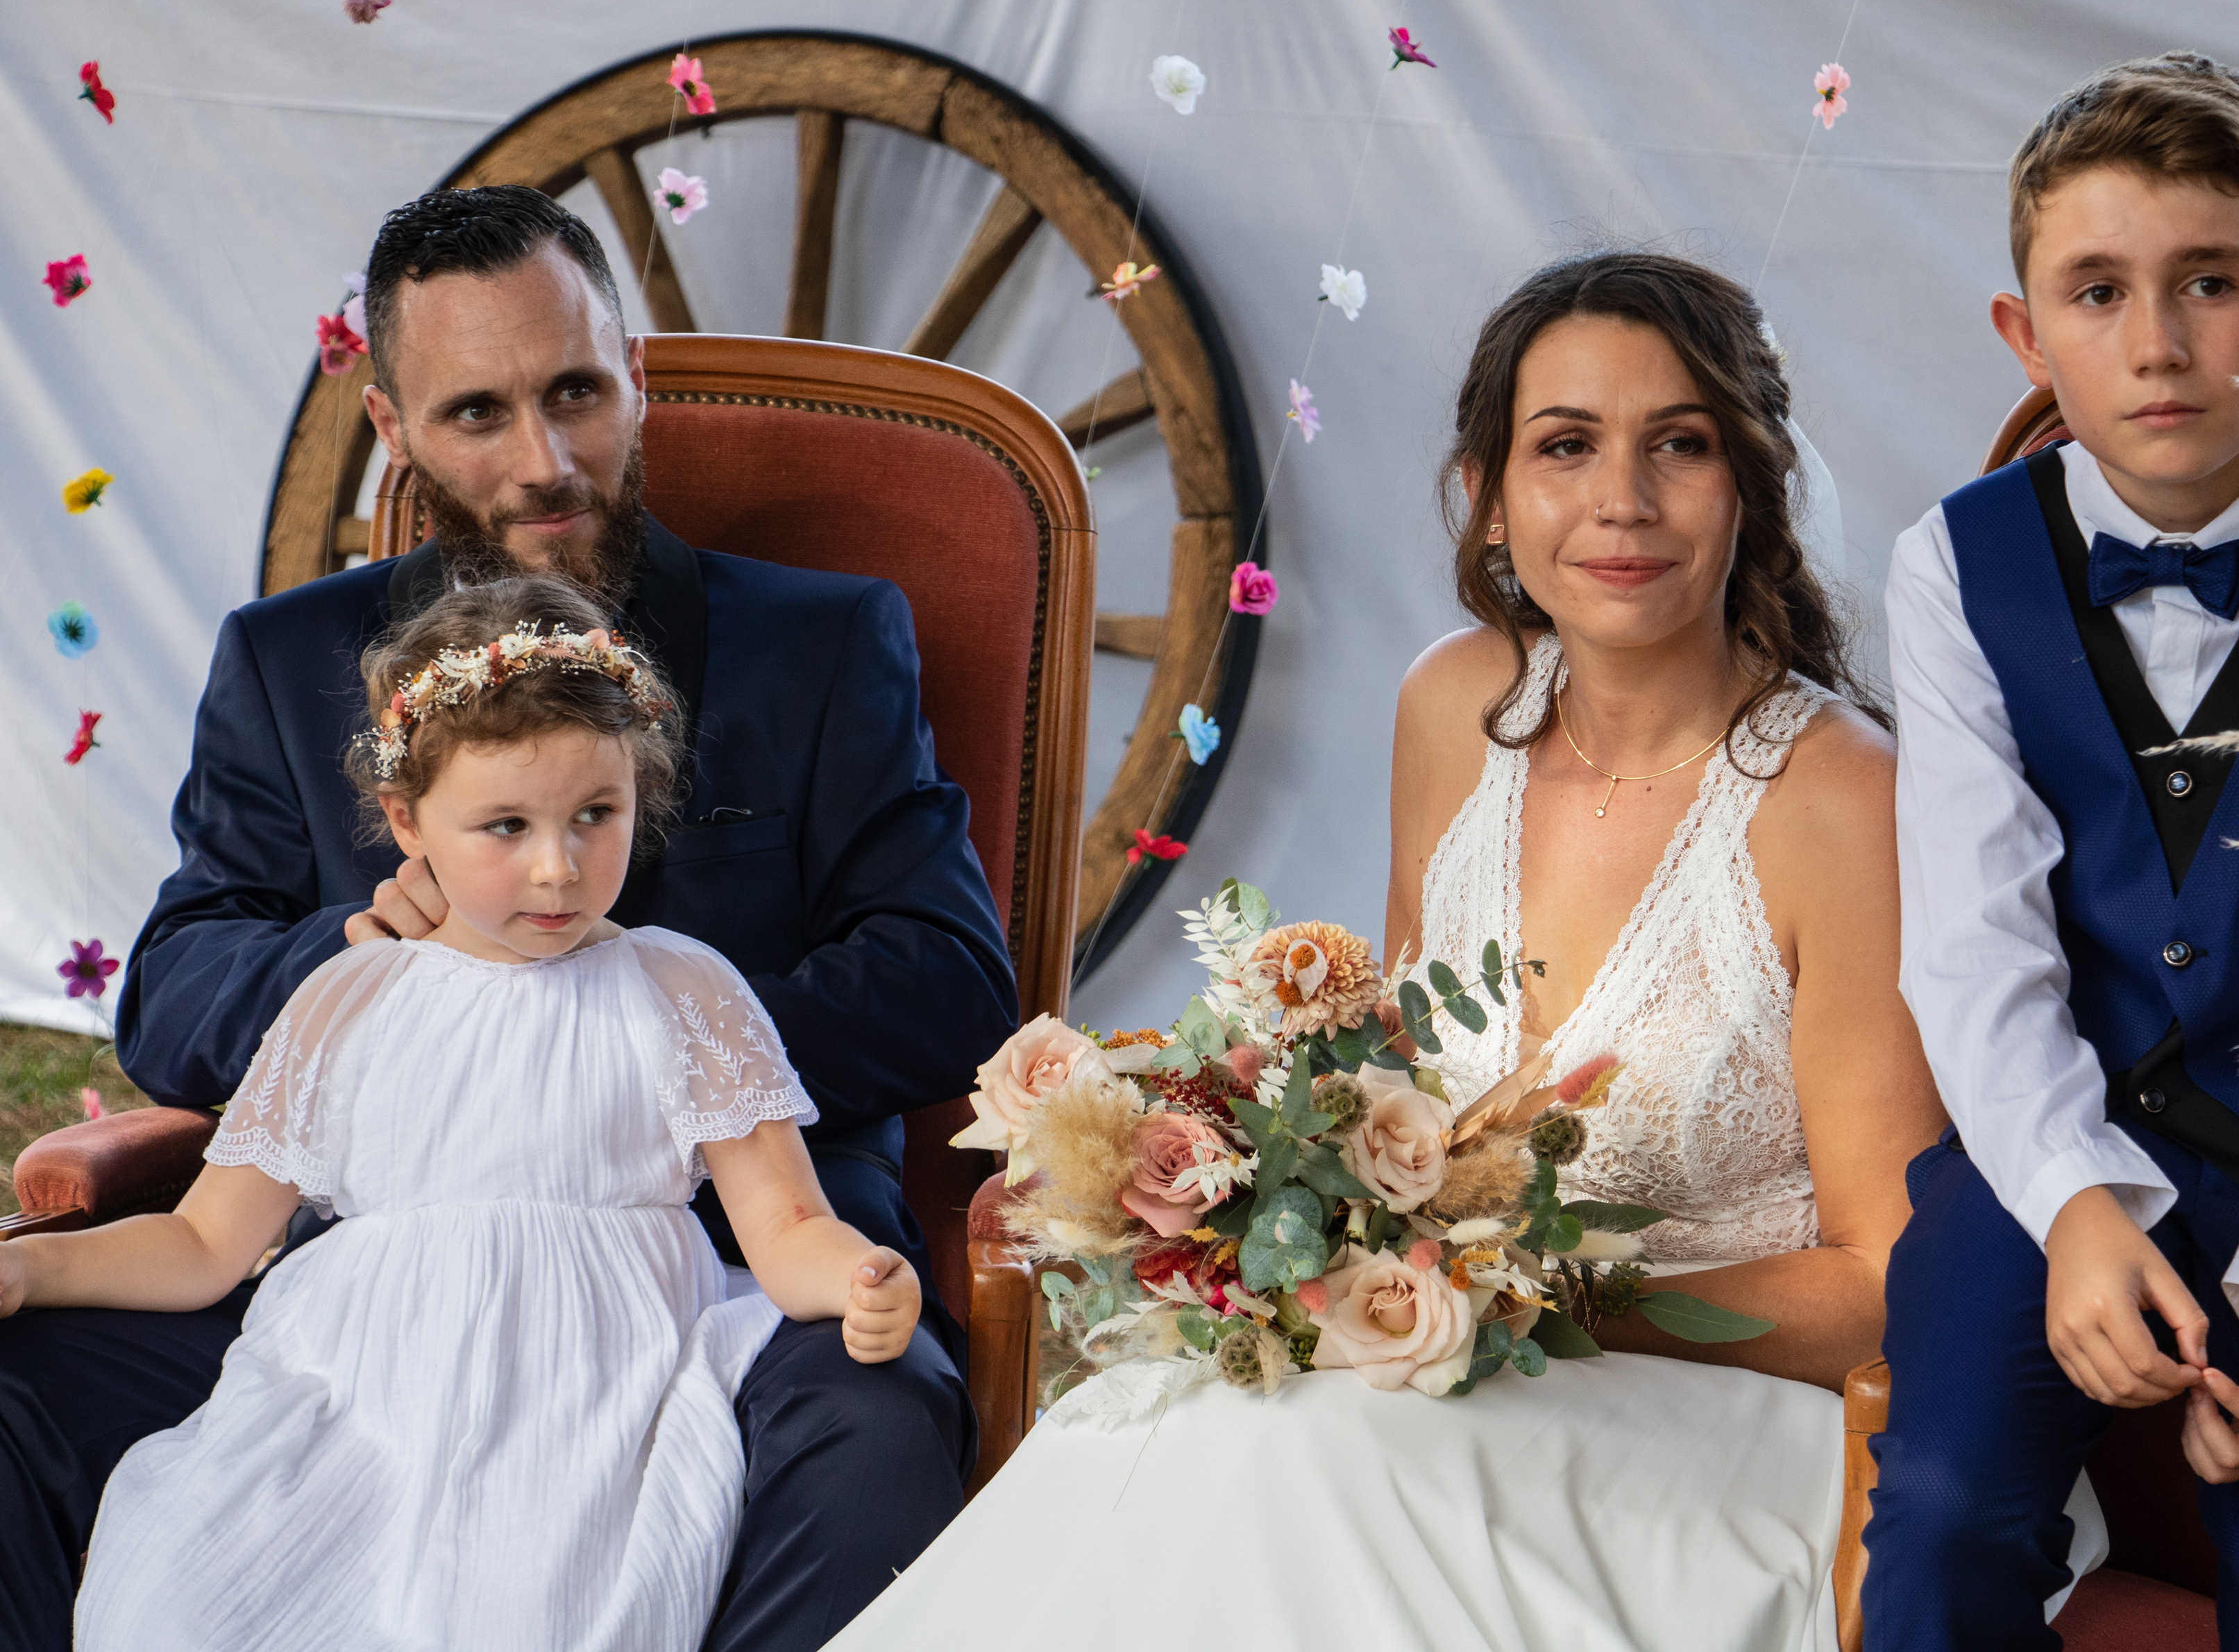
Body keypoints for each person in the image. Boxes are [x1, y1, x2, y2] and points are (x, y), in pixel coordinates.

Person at [825, 253, 2082, 1651]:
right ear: (1489, 491)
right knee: (1161, 1435)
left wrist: (1528, 1302)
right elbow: (1396, 1096)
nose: (1622, 499)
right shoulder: (1454, 707)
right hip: (1432, 1382)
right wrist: (1276, 1202)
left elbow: (1885, 1287)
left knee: (1297, 1466)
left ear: (1754, 482)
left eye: (1680, 444)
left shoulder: (1843, 802)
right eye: (1566, 446)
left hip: (1737, 1432)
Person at [0, 187, 1018, 1652]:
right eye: (478, 412)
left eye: (577, 392)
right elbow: (174, 989)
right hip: (356, 1278)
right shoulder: (285, 661)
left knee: (877, 1428)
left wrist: (641, 1035)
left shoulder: (828, 639)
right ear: (393, 424)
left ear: (634, 374)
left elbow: (950, 974)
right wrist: (378, 969)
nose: (546, 462)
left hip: (741, 1261)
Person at [1864, 53, 2239, 1649]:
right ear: (2025, 332)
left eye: (2209, 281)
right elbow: (1975, 945)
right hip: (2050, 1125)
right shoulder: (1952, 564)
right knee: (1942, 1520)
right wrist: (2075, 1202)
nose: (2155, 343)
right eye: (2097, 291)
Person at [6, 577, 920, 1650]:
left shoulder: (683, 991)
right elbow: (207, 1243)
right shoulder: (348, 1002)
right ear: (409, 821)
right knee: (194, 1601)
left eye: (596, 815)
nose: (558, 867)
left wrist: (857, 1277)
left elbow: (786, 1224)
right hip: (358, 1388)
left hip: (593, 1394)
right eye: (506, 826)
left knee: (519, 1611)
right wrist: (35, 1269)